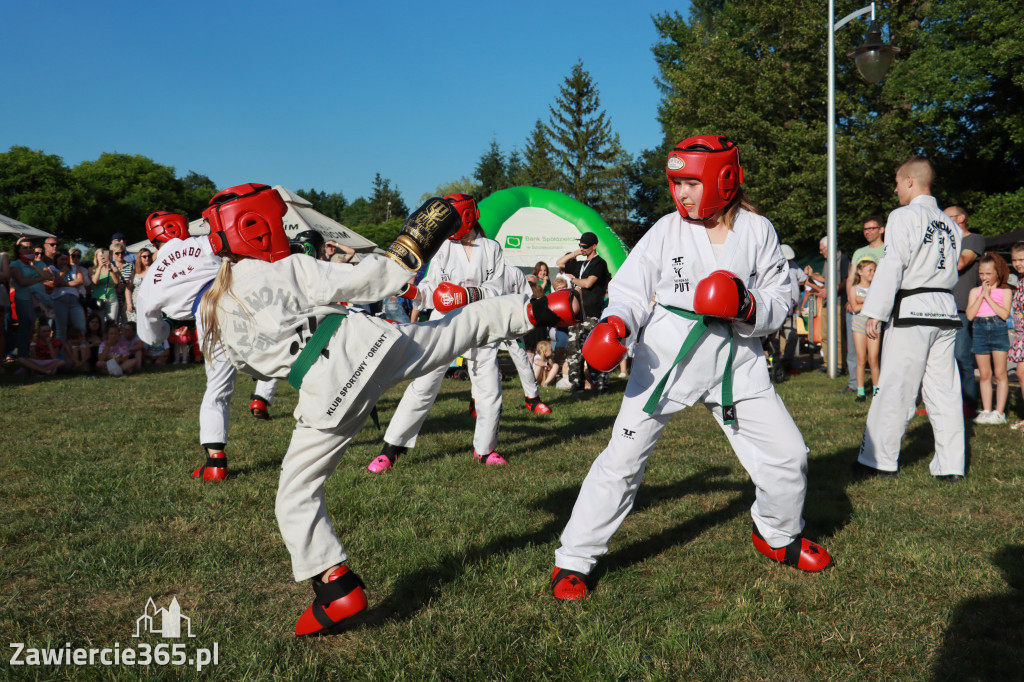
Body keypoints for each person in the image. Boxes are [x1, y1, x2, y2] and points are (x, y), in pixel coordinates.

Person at [192, 184, 580, 635]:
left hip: (325, 392)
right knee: (451, 333)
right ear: (254, 228)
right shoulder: (292, 269)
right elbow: (379, 278)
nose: (283, 231)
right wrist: (420, 232)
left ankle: (337, 589)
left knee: (296, 496)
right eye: (277, 223)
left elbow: (244, 362)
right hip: (369, 343)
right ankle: (537, 309)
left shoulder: (214, 307)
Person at [550, 135, 832, 601]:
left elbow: (781, 300)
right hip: (666, 359)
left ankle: (777, 535)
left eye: (690, 183)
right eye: (676, 183)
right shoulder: (666, 230)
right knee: (620, 462)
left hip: (735, 364)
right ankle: (574, 559)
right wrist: (617, 322)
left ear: (723, 181)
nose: (680, 193)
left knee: (790, 454)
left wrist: (746, 304)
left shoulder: (759, 232)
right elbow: (630, 289)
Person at [369, 193, 514, 472]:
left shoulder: (491, 247)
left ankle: (485, 449)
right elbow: (429, 289)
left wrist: (467, 294)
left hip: (481, 322)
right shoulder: (443, 248)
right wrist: (409, 290)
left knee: (489, 389)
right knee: (423, 385)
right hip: (444, 323)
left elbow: (497, 288)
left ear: (468, 216)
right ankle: (392, 448)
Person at [135, 209, 281, 481]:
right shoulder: (206, 243)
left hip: (206, 316)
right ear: (178, 228)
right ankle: (273, 397)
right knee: (281, 357)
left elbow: (150, 336)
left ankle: (215, 463)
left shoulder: (150, 279)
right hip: (245, 301)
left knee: (218, 389)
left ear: (154, 241)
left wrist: (169, 324)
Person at [854, 156, 965, 481]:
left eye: (898, 182)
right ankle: (951, 466)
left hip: (914, 310)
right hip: (945, 309)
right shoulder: (952, 225)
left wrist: (874, 311)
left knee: (896, 387)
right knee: (944, 390)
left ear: (911, 181)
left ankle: (878, 460)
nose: (895, 188)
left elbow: (892, 264)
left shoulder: (903, 216)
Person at [557, 232, 611, 393]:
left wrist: (571, 280)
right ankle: (576, 384)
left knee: (593, 350)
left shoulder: (599, 263)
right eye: (580, 245)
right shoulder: (581, 264)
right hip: (577, 313)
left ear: (594, 246)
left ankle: (601, 385)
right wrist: (575, 253)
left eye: (585, 246)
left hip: (592, 313)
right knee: (574, 350)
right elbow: (559, 262)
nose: (582, 248)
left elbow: (588, 283)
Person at [946, 206, 986, 417]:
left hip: (963, 308)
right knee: (943, 360)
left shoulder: (973, 240)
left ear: (961, 218)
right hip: (943, 307)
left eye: (947, 217)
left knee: (962, 357)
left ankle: (968, 404)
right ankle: (946, 405)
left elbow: (961, 263)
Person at [967, 253, 1013, 425]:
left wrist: (989, 297)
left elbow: (1004, 313)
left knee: (1000, 373)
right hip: (979, 330)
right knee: (985, 373)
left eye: (988, 273)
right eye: (981, 274)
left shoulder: (1005, 291)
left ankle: (999, 412)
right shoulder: (974, 291)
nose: (984, 277)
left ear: (997, 273)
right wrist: (981, 295)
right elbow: (970, 315)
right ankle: (986, 410)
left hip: (998, 329)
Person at [10, 239, 55, 359]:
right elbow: (22, 281)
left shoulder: (39, 263)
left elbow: (50, 276)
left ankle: (38, 356)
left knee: (39, 328)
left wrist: (34, 267)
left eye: (30, 247)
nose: (28, 250)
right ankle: (23, 357)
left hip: (41, 301)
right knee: (25, 329)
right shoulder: (15, 264)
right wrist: (39, 278)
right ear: (19, 249)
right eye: (25, 248)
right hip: (24, 299)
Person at [818, 237, 851, 381]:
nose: (820, 252)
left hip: (838, 303)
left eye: (822, 249)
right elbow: (825, 280)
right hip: (826, 303)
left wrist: (830, 290)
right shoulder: (827, 262)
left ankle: (839, 365)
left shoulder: (843, 260)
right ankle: (827, 363)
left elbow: (846, 281)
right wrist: (812, 275)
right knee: (824, 335)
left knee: (837, 336)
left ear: (829, 247)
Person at [849, 257, 881, 402]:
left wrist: (863, 300)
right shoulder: (853, 288)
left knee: (873, 359)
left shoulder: (878, 288)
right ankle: (860, 392)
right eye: (870, 270)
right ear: (860, 272)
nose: (873, 273)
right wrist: (870, 301)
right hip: (859, 323)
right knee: (861, 358)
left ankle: (877, 391)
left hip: (874, 323)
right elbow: (854, 307)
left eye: (874, 270)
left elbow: (880, 304)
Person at [47, 250, 87, 344]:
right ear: (56, 260)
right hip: (59, 301)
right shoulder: (51, 268)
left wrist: (64, 284)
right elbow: (56, 283)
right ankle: (61, 354)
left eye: (66, 259)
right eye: (62, 259)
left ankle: (81, 351)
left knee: (80, 328)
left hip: (74, 301)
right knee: (61, 330)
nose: (64, 262)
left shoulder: (74, 267)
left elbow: (80, 281)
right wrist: (63, 272)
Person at [1008, 242, 1024, 431]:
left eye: (1021, 259)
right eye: (1014, 260)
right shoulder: (1019, 280)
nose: (1018, 263)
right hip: (1020, 333)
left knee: (1021, 373)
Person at [89, 248, 120, 326]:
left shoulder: (114, 269)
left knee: (112, 323)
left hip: (112, 298)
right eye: (100, 256)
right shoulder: (92, 269)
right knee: (99, 324)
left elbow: (117, 282)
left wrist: (110, 268)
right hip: (98, 299)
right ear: (96, 257)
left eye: (104, 256)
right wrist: (100, 267)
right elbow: (95, 282)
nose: (102, 258)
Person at [125, 247, 153, 322]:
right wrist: (129, 303)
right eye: (144, 256)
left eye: (149, 256)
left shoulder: (154, 270)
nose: (147, 258)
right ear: (139, 258)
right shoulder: (134, 272)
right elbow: (128, 289)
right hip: (135, 304)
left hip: (150, 303)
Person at [111, 244, 134, 325]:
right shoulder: (110, 266)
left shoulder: (130, 265)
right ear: (113, 254)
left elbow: (131, 283)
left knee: (126, 323)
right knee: (114, 323)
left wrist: (123, 286)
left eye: (122, 253)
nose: (120, 255)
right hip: (113, 297)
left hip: (126, 298)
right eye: (117, 253)